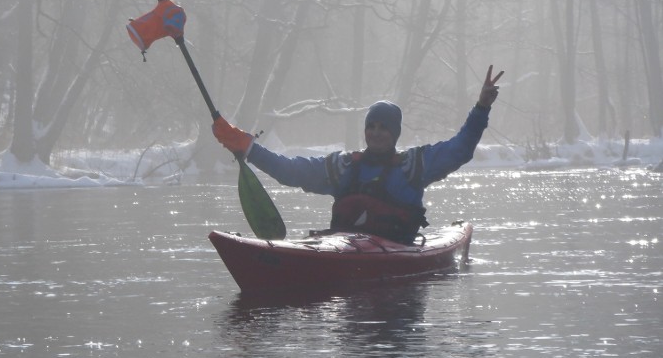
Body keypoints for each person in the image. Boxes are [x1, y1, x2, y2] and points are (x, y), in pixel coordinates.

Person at [212, 66, 504, 244]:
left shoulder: (414, 166)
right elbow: (290, 171)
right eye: (371, 127)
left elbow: (460, 148)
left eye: (384, 128)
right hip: (343, 252)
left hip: (395, 260)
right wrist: (247, 146)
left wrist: (481, 107)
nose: (376, 133)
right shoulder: (343, 167)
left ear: (395, 133)